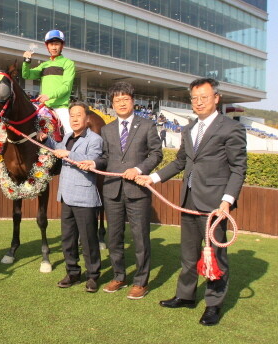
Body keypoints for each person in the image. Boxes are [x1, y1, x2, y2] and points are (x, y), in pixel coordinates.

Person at [135, 78, 247, 326]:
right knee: (188, 255)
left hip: (215, 205)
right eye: (194, 98)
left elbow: (238, 169)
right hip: (188, 200)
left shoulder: (231, 128)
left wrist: (227, 201)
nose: (198, 102)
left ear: (216, 98)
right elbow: (180, 162)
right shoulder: (189, 128)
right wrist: (152, 178)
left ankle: (213, 305)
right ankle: (185, 296)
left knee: (215, 257)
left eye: (204, 97)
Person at [78, 82, 162, 299]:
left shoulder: (147, 125)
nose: (121, 103)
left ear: (133, 101)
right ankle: (119, 276)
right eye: (117, 101)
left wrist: (139, 168)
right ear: (112, 104)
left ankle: (141, 281)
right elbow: (105, 158)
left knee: (140, 237)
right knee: (114, 238)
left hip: (138, 191)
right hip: (112, 191)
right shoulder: (106, 129)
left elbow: (156, 154)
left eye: (125, 99)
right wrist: (94, 163)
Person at [38, 102, 103, 292]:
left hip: (84, 197)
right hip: (66, 196)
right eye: (72, 116)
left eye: (78, 115)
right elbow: (57, 148)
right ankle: (72, 272)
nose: (74, 119)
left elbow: (89, 159)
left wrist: (68, 153)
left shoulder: (95, 139)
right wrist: (46, 140)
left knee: (89, 239)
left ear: (87, 118)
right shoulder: (67, 136)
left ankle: (92, 276)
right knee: (68, 239)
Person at [22, 29, 75, 135]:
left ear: (62, 46)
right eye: (51, 44)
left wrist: (49, 96)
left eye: (57, 44)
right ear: (47, 46)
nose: (54, 47)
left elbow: (66, 87)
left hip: (60, 107)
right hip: (43, 107)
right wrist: (26, 61)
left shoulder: (68, 63)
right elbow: (26, 75)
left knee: (71, 133)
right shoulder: (44, 65)